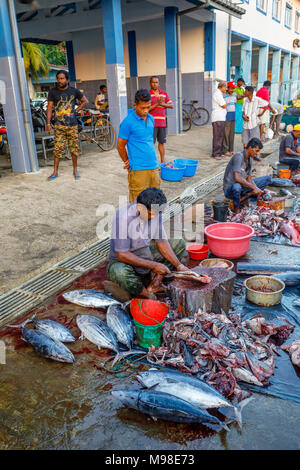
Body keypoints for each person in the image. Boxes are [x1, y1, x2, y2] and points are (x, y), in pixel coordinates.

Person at [105, 188, 189, 301]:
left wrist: (179, 265)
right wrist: (154, 265)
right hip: (123, 261)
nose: (154, 217)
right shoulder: (123, 217)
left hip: (145, 254)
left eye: (156, 214)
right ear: (140, 207)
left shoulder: (155, 211)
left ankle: (155, 283)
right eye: (151, 214)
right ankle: (145, 293)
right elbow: (122, 254)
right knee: (119, 272)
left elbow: (162, 241)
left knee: (179, 243)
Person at [117, 89, 160, 203]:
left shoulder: (151, 119)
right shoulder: (128, 122)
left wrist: (156, 164)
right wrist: (127, 161)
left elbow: (148, 141)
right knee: (138, 203)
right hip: (138, 170)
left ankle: (153, 221)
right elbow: (120, 145)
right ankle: (137, 221)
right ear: (135, 105)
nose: (146, 111)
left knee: (155, 201)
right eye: (142, 108)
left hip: (153, 167)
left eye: (148, 107)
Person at [46, 71, 88, 180]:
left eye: (62, 78)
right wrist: (48, 123)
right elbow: (50, 108)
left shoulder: (74, 91)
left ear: (67, 80)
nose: (60, 81)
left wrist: (76, 110)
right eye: (58, 79)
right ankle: (55, 171)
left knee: (74, 148)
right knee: (58, 148)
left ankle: (75, 170)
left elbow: (85, 101)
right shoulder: (53, 92)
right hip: (59, 126)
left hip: (72, 125)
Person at [223, 138, 272, 213]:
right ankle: (236, 209)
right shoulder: (238, 156)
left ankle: (247, 196)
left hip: (242, 187)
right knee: (237, 186)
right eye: (256, 151)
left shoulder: (250, 159)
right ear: (250, 148)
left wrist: (256, 188)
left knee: (267, 179)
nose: (257, 154)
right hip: (230, 189)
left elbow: (249, 178)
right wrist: (253, 187)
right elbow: (237, 178)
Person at [149, 76, 173, 163]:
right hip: (152, 123)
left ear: (159, 84)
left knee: (161, 143)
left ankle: (162, 162)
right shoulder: (147, 94)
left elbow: (171, 105)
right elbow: (146, 109)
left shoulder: (164, 94)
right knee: (151, 144)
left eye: (156, 82)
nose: (154, 84)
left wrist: (161, 104)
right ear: (150, 83)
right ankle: (153, 162)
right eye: (153, 82)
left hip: (162, 123)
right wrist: (157, 104)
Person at [242, 86, 269, 153]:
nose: (244, 92)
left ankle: (255, 155)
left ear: (249, 92)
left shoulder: (257, 99)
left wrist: (261, 113)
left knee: (255, 141)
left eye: (245, 91)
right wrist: (243, 116)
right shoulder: (245, 100)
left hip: (254, 123)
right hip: (246, 124)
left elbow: (266, 104)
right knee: (245, 141)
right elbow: (243, 112)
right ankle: (246, 154)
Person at [211, 81, 227, 160]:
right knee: (217, 136)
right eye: (225, 87)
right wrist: (225, 104)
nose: (226, 89)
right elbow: (224, 105)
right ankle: (216, 153)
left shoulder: (219, 94)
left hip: (220, 117)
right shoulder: (217, 94)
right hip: (217, 118)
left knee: (221, 135)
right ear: (222, 87)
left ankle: (219, 152)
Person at [223, 81, 237, 156]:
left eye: (233, 89)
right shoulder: (223, 95)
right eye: (231, 88)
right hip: (226, 115)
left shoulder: (234, 95)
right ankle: (225, 150)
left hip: (233, 115)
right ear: (227, 88)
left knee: (232, 133)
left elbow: (234, 103)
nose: (232, 90)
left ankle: (231, 149)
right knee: (226, 133)